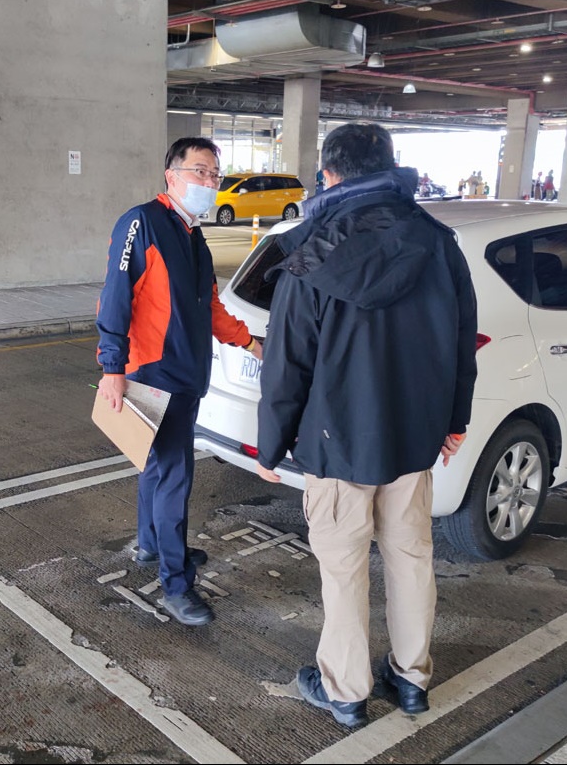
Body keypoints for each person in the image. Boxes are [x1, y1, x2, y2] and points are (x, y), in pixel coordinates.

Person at [255, 123, 478, 728]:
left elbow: (287, 363)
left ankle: (346, 691)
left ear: (329, 175)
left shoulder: (311, 249)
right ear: (392, 167)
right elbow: (461, 341)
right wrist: (453, 421)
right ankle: (411, 679)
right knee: (410, 558)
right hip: (413, 439)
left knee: (344, 568)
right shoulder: (437, 243)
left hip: (336, 444)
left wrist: (271, 447)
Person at [95, 136, 263, 627]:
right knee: (173, 478)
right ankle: (176, 583)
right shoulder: (141, 223)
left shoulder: (195, 237)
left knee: (156, 469)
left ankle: (152, 545)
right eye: (199, 171)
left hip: (188, 376)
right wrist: (112, 369)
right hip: (152, 374)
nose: (209, 181)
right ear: (172, 175)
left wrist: (247, 341)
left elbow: (209, 306)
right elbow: (115, 297)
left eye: (214, 174)